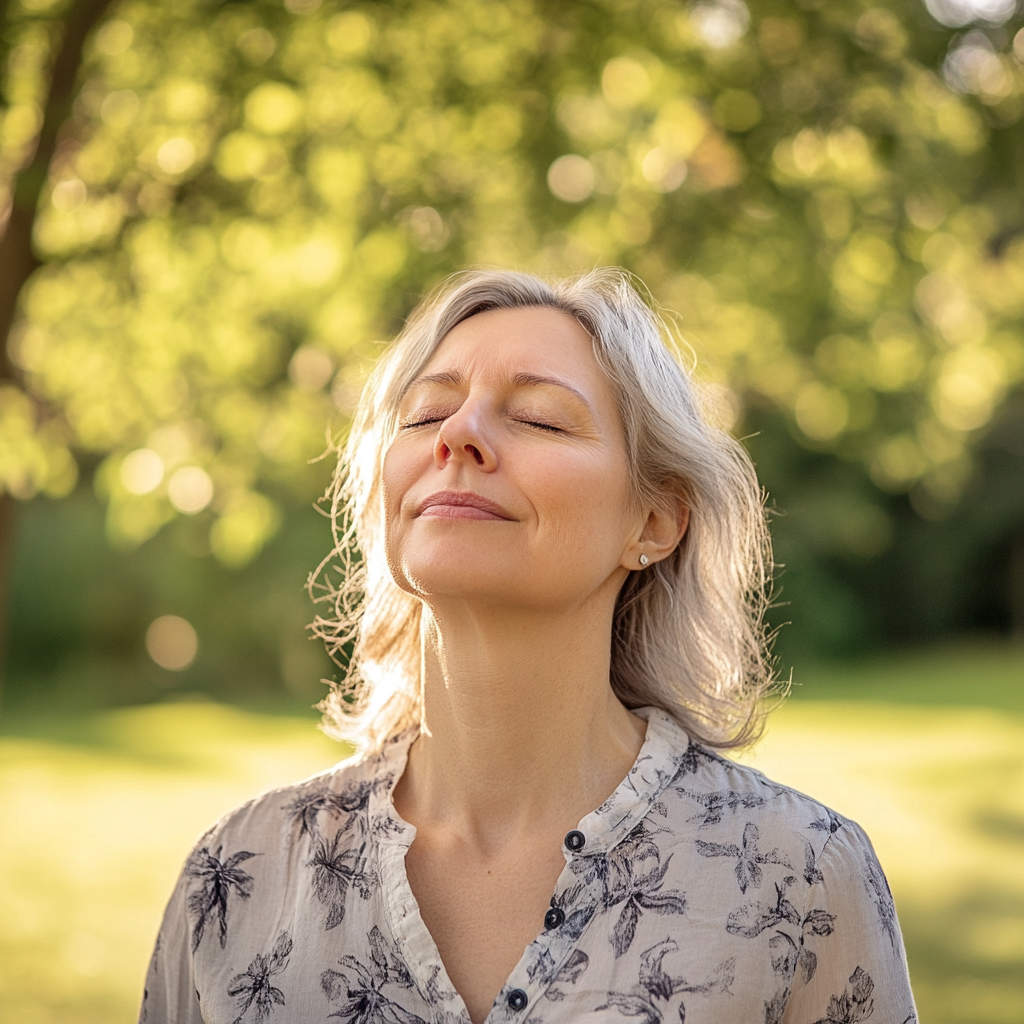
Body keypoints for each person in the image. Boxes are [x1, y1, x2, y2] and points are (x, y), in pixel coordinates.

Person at [140, 269, 917, 1024]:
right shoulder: (233, 878)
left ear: (654, 521)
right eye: (425, 414)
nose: (457, 435)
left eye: (540, 419)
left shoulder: (803, 876)